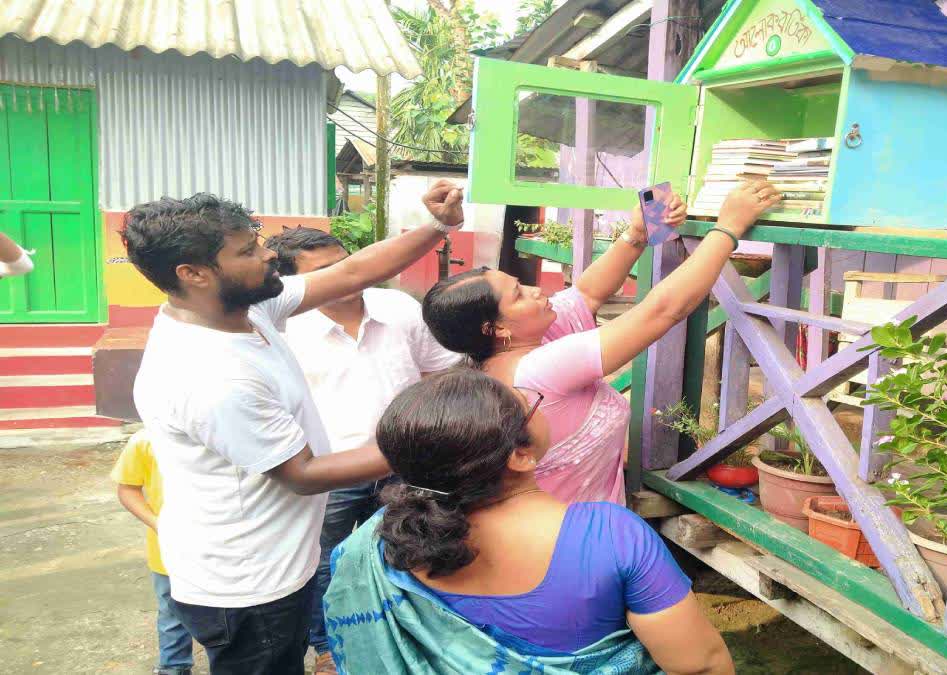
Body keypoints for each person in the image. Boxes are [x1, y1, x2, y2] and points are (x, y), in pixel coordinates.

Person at [124, 181, 464, 675]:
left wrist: (436, 225)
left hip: (272, 562)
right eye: (247, 250)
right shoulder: (211, 374)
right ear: (193, 273)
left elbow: (352, 270)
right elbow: (303, 473)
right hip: (250, 583)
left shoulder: (244, 307)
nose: (267, 256)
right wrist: (441, 439)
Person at [323, 368, 735, 674]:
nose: (533, 400)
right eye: (528, 405)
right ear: (520, 455)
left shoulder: (377, 543)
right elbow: (701, 666)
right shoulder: (610, 536)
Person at [422, 182, 780, 504]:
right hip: (568, 542)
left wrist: (637, 233)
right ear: (495, 329)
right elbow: (663, 310)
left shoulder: (517, 341)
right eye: (518, 294)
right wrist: (728, 228)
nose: (535, 290)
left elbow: (589, 292)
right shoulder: (536, 371)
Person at [265, 226, 462, 674]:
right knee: (324, 563)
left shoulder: (399, 308)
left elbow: (440, 373)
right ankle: (328, 646)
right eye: (327, 270)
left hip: (408, 467)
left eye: (346, 259)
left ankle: (409, 636)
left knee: (414, 552)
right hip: (326, 472)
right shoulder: (283, 329)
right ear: (294, 285)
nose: (348, 274)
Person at [111, 430, 195, 675]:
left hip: (225, 548)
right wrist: (158, 524)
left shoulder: (224, 430)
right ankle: (174, 667)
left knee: (230, 613)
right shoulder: (145, 439)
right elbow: (127, 488)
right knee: (172, 613)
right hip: (169, 550)